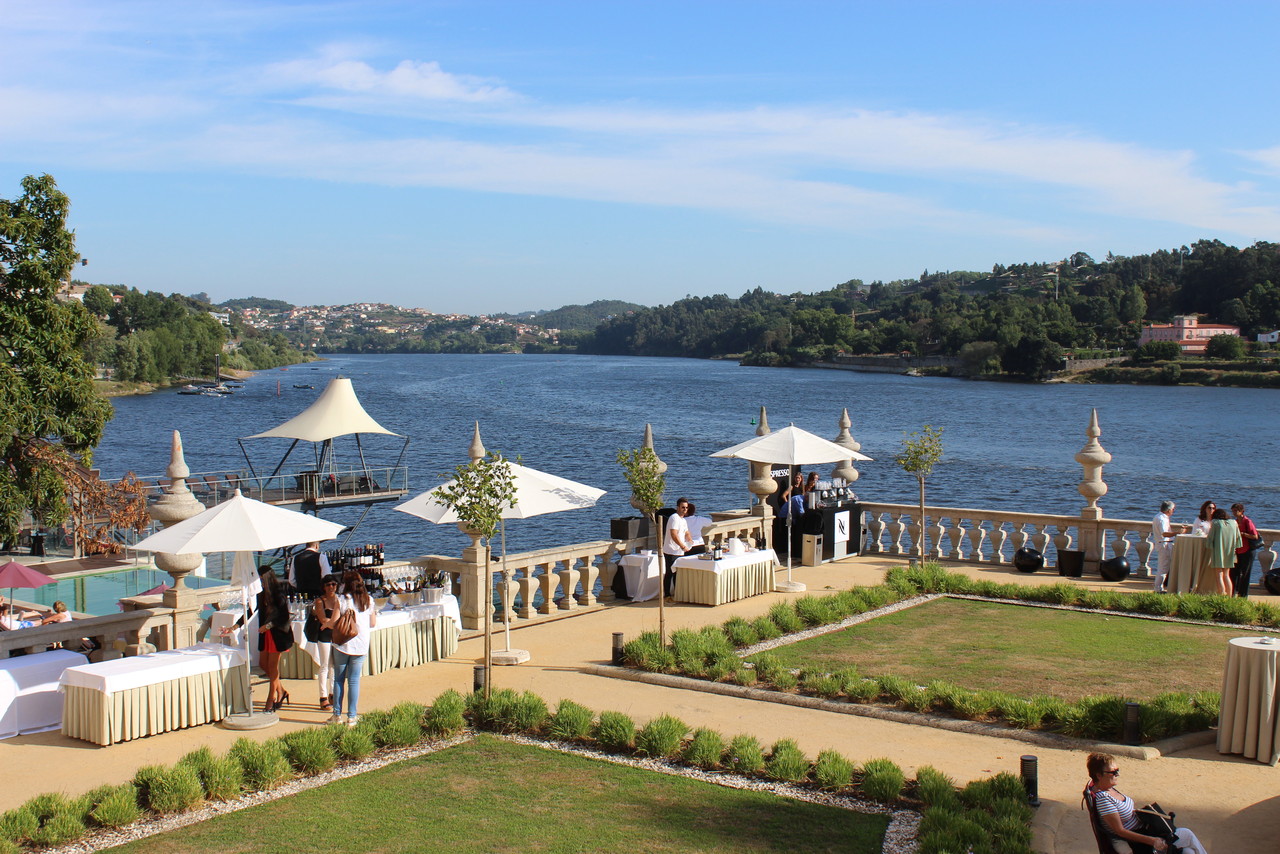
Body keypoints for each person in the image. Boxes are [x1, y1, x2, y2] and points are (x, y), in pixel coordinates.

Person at [1084, 753, 1208, 854]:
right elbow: (1120, 831)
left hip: (1145, 830)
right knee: (1186, 834)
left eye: (1118, 770)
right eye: (1113, 772)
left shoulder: (1109, 789)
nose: (1118, 774)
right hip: (1139, 841)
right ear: (1099, 775)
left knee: (1188, 852)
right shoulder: (1104, 800)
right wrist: (1152, 841)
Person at [223, 567, 295, 712]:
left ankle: (271, 698)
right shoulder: (260, 594)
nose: (258, 582)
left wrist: (268, 626)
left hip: (277, 634)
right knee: (263, 664)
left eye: (260, 579)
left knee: (272, 667)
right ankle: (281, 691)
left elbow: (284, 616)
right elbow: (250, 611)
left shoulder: (278, 593)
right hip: (266, 634)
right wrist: (234, 627)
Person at [329, 570, 377, 726]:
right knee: (354, 681)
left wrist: (324, 621)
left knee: (338, 679)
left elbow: (334, 621)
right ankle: (352, 716)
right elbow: (372, 623)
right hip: (361, 644)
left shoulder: (342, 600)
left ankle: (337, 715)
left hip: (343, 643)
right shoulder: (368, 600)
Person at [311, 574, 340, 710]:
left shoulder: (339, 600)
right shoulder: (319, 601)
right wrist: (336, 623)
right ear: (323, 587)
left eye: (334, 584)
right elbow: (323, 619)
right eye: (328, 585)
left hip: (336, 636)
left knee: (334, 666)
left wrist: (330, 623)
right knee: (324, 666)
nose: (331, 587)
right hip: (324, 637)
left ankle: (333, 693)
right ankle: (323, 696)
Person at [1150, 501, 1185, 593]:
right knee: (1163, 568)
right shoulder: (1162, 519)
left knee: (1163, 567)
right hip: (1164, 544)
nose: (1173, 511)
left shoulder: (1159, 517)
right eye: (1173, 509)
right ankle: (1158, 589)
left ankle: (1159, 587)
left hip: (1163, 543)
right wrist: (1177, 533)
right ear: (1169, 510)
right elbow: (1164, 533)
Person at [1206, 508, 1242, 597]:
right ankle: (1229, 596)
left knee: (1219, 574)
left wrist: (1208, 545)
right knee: (1227, 575)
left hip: (1218, 550)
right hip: (1230, 551)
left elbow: (1210, 538)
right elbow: (1238, 538)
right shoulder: (1234, 523)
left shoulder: (1216, 523)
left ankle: (1221, 595)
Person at [661, 498, 692, 598]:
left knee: (677, 574)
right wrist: (683, 546)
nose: (685, 509)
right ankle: (667, 595)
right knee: (670, 573)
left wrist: (689, 539)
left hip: (679, 551)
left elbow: (686, 532)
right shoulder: (674, 518)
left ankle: (676, 594)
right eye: (683, 507)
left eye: (686, 507)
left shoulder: (683, 520)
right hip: (671, 550)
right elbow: (673, 534)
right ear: (678, 507)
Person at [1230, 503, 1261, 598]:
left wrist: (1243, 534)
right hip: (1238, 551)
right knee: (1234, 573)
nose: (1234, 513)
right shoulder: (1235, 522)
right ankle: (1233, 593)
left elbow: (1255, 536)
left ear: (1241, 511)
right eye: (1233, 511)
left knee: (1245, 574)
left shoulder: (1247, 521)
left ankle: (1243, 595)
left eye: (1236, 511)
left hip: (1247, 551)